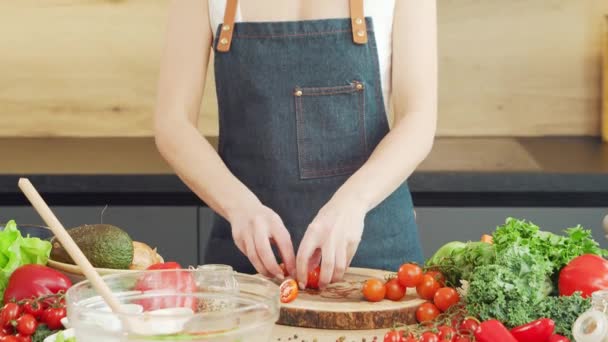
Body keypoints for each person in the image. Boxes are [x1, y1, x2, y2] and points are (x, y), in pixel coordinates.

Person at [154, 0, 437, 290]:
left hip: (378, 259)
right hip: (249, 264)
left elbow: (418, 120)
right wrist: (239, 207)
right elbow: (172, 125)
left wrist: (353, 202)